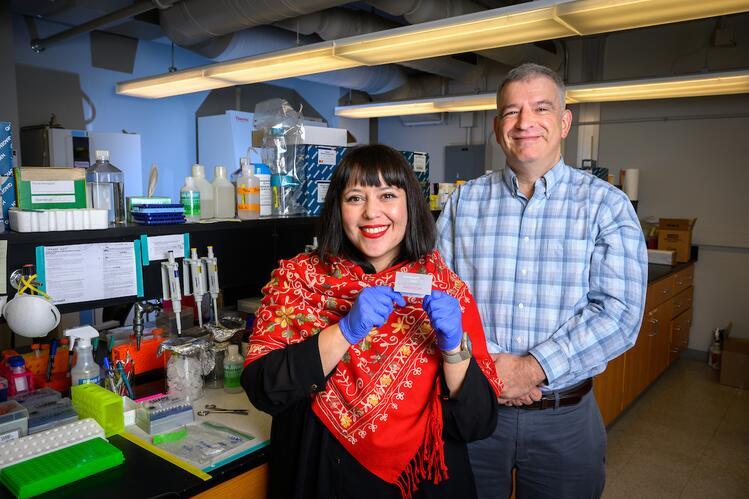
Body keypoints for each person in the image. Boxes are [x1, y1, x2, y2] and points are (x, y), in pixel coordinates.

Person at [242, 144, 502, 499]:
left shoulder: (446, 288)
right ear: (338, 208)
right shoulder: (298, 279)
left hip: (420, 485)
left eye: (387, 195)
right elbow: (263, 389)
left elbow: (477, 423)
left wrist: (454, 349)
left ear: (409, 204)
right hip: (321, 475)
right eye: (354, 198)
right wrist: (346, 330)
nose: (371, 212)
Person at [436, 63, 648, 498]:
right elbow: (442, 298)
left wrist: (532, 368)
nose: (525, 122)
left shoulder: (606, 205)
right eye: (511, 112)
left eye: (541, 108)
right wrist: (492, 370)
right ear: (497, 128)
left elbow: (620, 315)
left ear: (565, 121)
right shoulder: (464, 202)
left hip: (564, 420)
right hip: (475, 408)